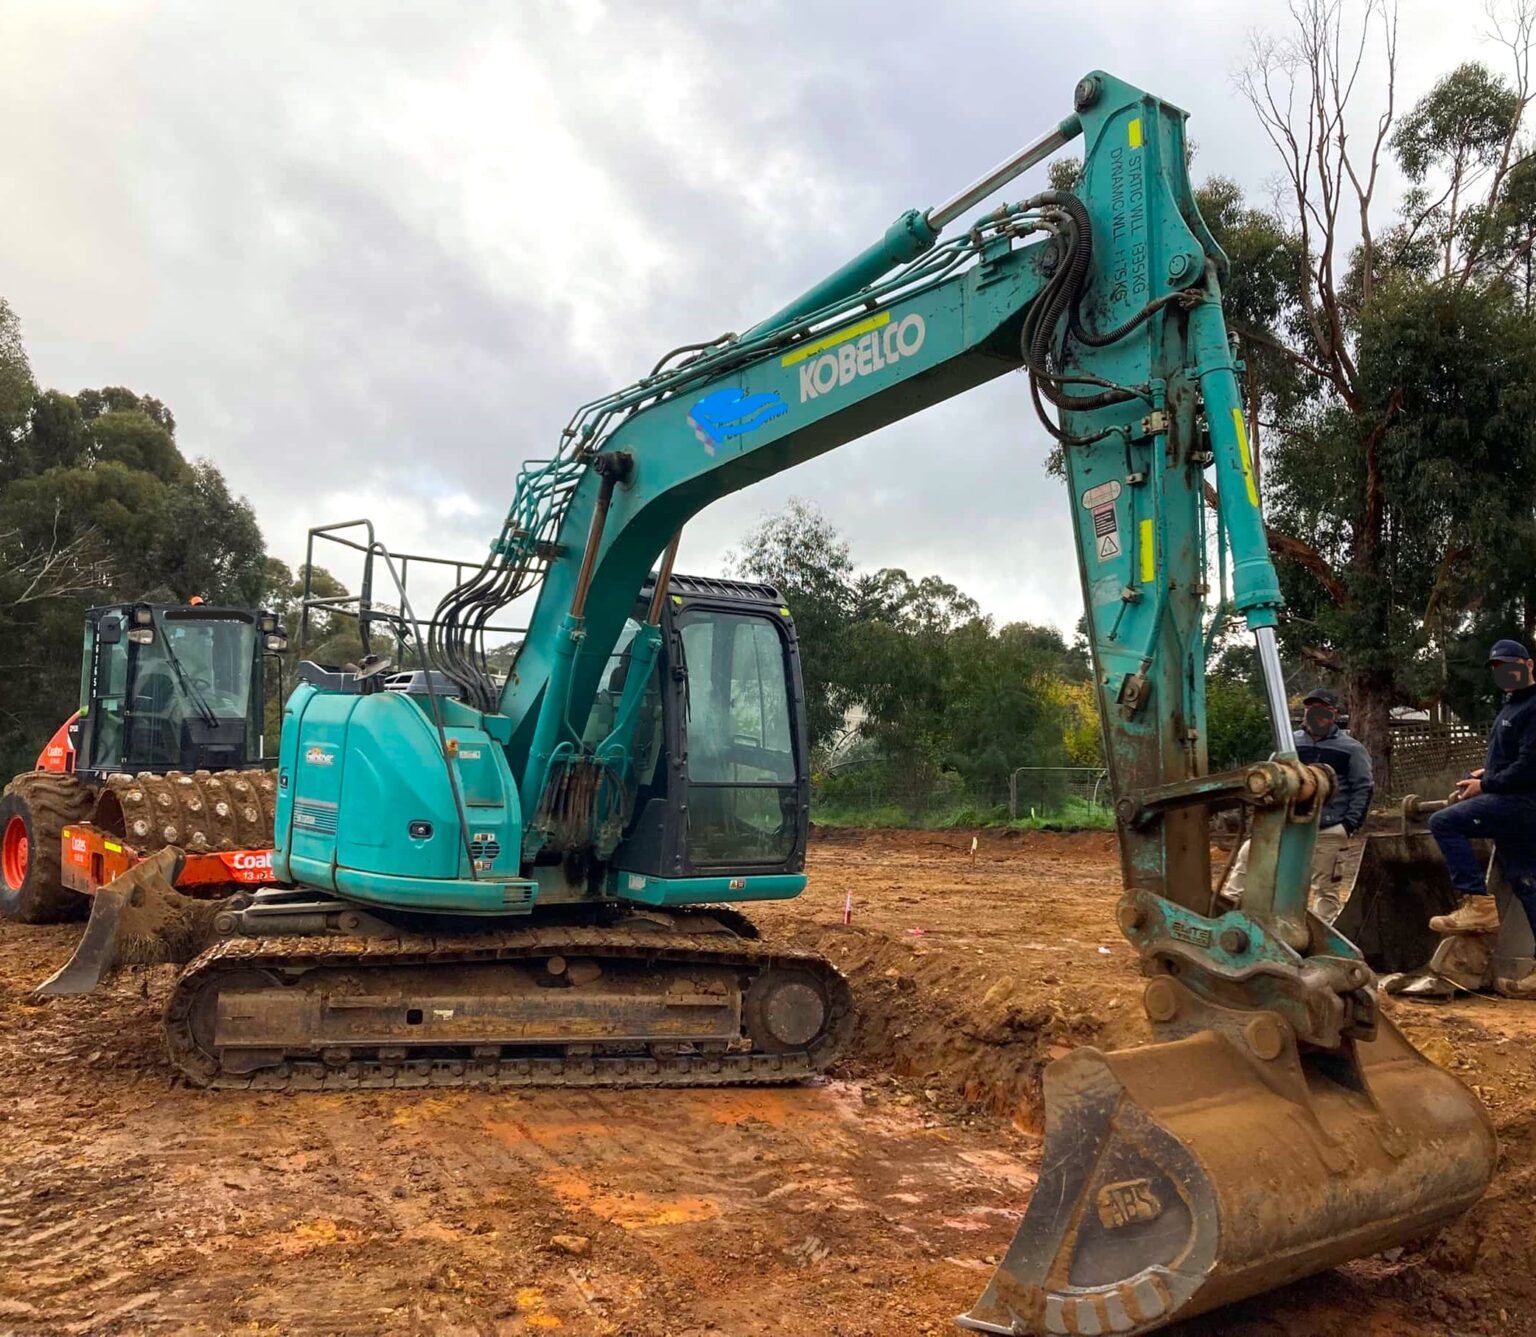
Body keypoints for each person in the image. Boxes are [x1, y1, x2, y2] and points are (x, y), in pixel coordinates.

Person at [1426, 640, 1536, 991]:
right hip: (1514, 801)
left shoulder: (1533, 706)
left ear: (1528, 665)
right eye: (1497, 667)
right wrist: (1482, 774)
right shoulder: (1512, 707)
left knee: (1444, 822)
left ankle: (1478, 904)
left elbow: (1530, 767)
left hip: (1522, 803)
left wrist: (1486, 784)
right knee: (1527, 884)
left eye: (1510, 665)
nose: (1504, 672)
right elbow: (1513, 758)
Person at [1225, 687, 1374, 921]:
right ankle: (1228, 912)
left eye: (1322, 708)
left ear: (1333, 713)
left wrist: (1349, 824)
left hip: (1328, 828)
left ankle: (1324, 938)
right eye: (1310, 707)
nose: (1315, 713)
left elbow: (1364, 786)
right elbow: (1271, 780)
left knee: (1326, 890)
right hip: (1286, 824)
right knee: (1248, 857)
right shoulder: (1289, 744)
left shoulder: (1351, 749)